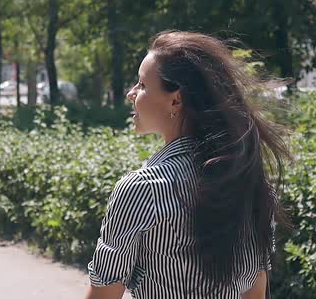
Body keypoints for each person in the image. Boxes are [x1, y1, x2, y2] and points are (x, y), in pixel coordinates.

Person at [85, 31, 290, 299]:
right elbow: (256, 294)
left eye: (142, 85)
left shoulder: (142, 189)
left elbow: (104, 295)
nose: (131, 93)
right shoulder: (250, 183)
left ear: (176, 100)